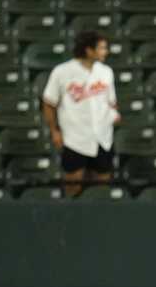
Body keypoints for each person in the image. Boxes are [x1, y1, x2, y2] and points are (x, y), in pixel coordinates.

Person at [42, 30, 120, 197]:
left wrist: (113, 114)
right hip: (75, 137)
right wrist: (54, 130)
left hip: (103, 137)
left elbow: (111, 101)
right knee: (73, 185)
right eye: (101, 48)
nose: (105, 52)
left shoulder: (106, 72)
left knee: (102, 186)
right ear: (89, 50)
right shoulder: (62, 72)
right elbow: (49, 103)